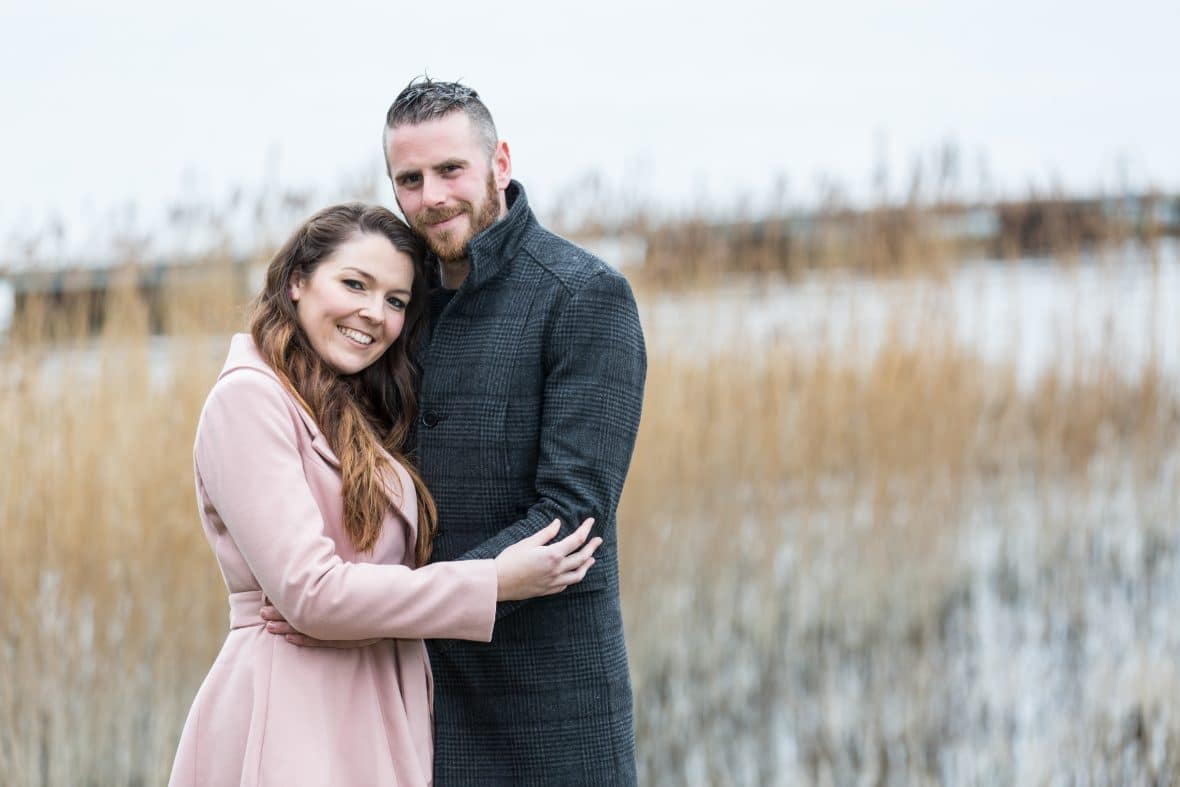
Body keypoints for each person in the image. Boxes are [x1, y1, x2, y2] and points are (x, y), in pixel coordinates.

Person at [268, 78, 648, 785]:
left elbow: (572, 516)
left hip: (549, 708)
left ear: (499, 162)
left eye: (450, 170)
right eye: (408, 179)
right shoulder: (400, 310)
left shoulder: (584, 296)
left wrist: (399, 601)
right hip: (417, 704)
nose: (430, 196)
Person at [168, 203, 602, 787]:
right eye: (354, 284)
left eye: (396, 301)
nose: (373, 314)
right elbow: (313, 595)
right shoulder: (249, 400)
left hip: (378, 703)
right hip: (294, 709)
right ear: (297, 281)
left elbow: (342, 589)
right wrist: (494, 582)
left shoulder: (358, 407)